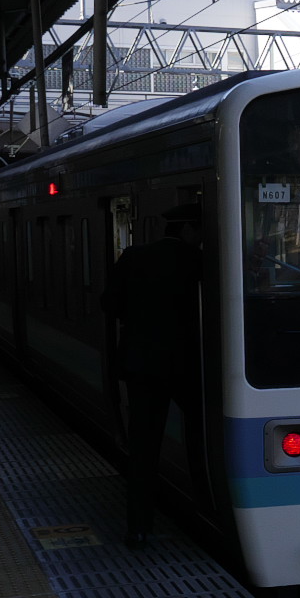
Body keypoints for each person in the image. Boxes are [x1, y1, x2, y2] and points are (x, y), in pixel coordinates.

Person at [101, 204, 207, 545]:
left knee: (143, 448)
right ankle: (206, 504)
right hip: (188, 366)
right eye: (200, 231)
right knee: (202, 436)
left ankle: (139, 527)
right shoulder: (198, 261)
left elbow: (109, 305)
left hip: (142, 364)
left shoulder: (133, 256)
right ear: (188, 229)